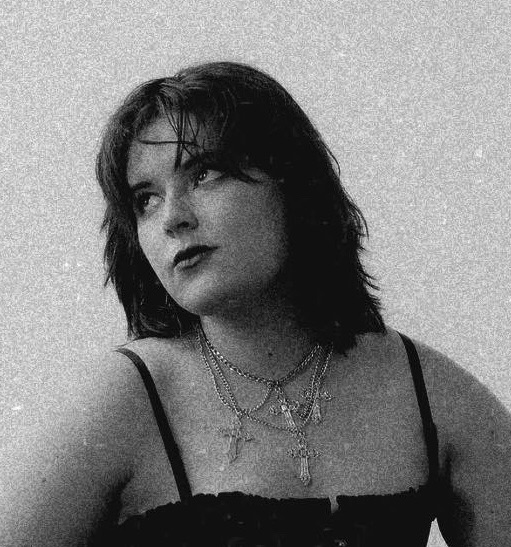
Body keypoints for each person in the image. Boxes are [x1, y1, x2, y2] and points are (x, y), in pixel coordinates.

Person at [1, 61, 510, 546]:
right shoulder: (123, 401)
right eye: (146, 199)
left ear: (292, 183)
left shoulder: (430, 393)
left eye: (204, 174)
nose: (172, 218)